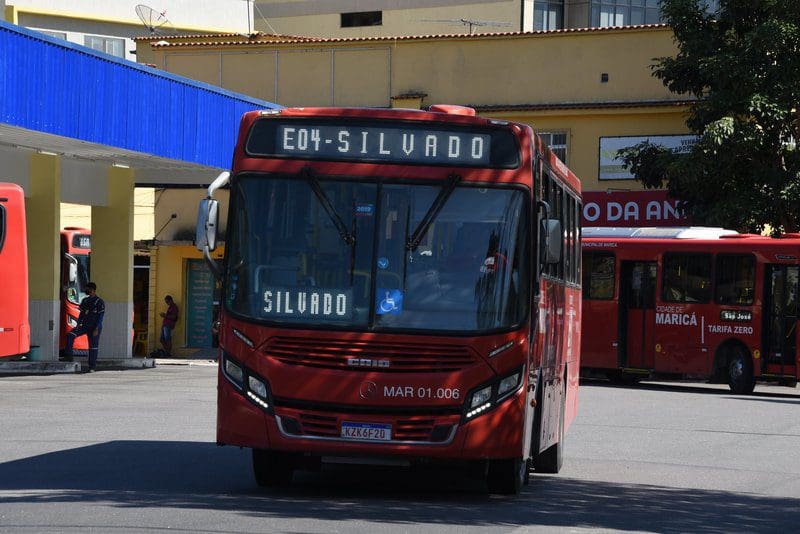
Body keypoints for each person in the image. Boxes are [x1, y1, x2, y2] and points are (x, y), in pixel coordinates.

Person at [65, 281, 105, 372]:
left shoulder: (99, 302)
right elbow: (81, 314)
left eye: (88, 289)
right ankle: (69, 357)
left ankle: (92, 367)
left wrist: (96, 328)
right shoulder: (85, 301)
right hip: (83, 326)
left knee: (93, 347)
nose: (86, 290)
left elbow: (100, 316)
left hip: (94, 327)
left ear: (93, 290)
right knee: (70, 335)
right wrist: (78, 325)